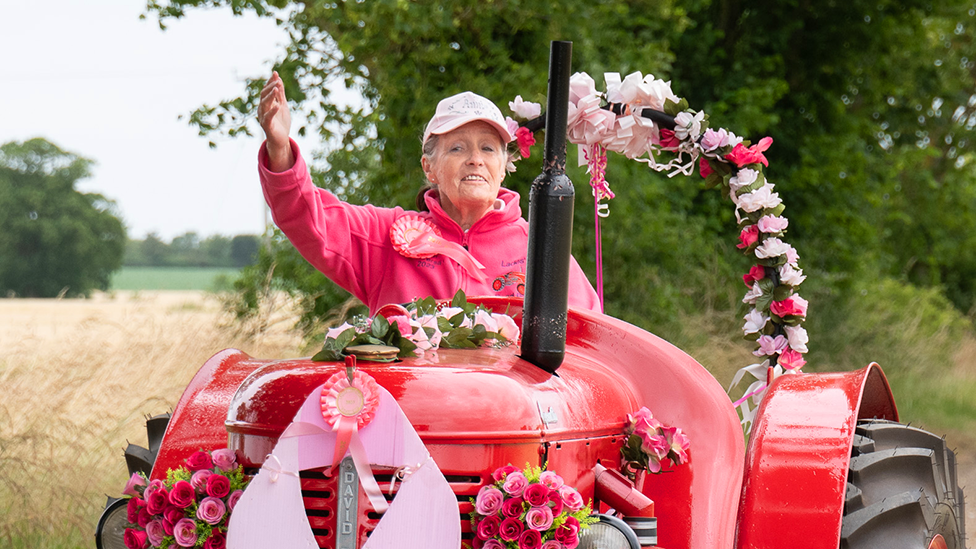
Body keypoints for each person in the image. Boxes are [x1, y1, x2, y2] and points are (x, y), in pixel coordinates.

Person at [257, 71, 600, 313]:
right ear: (428, 168)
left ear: (504, 167)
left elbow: (590, 335)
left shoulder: (540, 245)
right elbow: (310, 219)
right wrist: (280, 150)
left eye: (488, 149)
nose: (475, 161)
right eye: (457, 149)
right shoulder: (387, 235)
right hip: (412, 412)